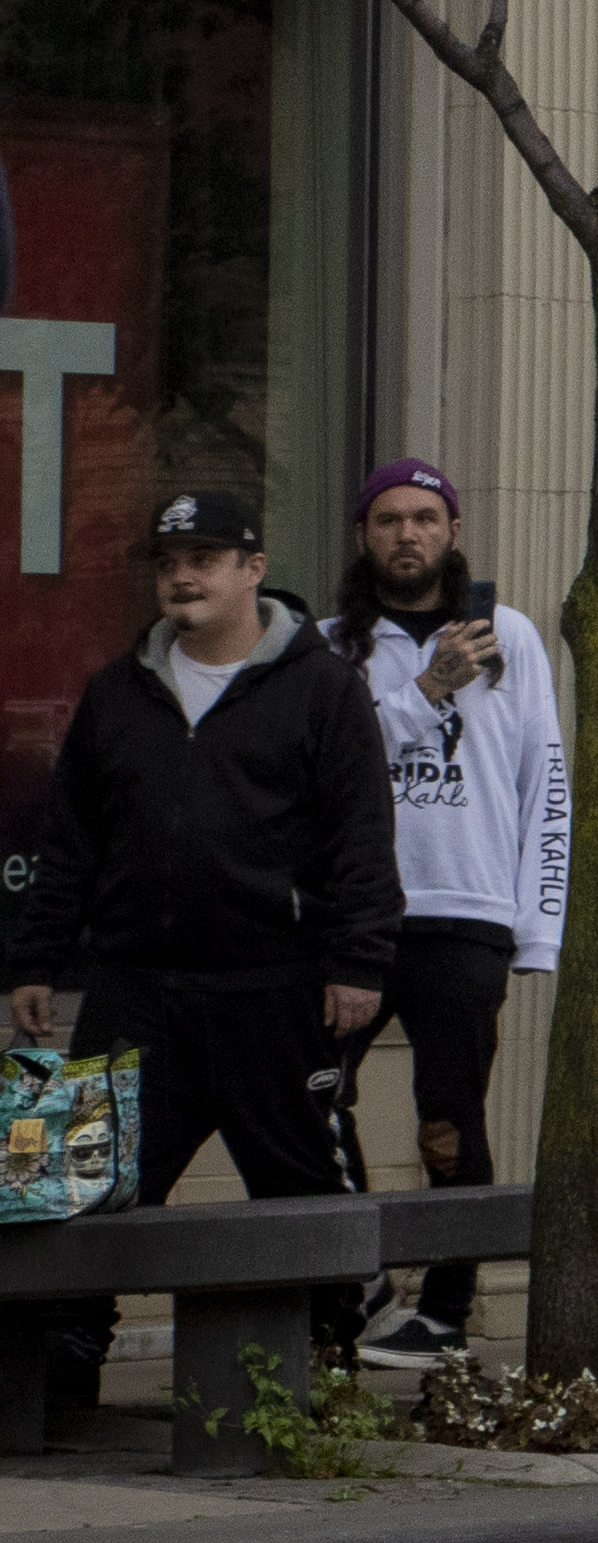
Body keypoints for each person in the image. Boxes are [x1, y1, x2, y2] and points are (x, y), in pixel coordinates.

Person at [3, 487, 396, 1409]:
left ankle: (326, 1363)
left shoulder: (323, 686)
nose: (183, 576)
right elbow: (72, 842)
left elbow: (362, 839)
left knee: (299, 1186)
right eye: (170, 561)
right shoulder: (117, 692)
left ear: (252, 571)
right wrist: (35, 959)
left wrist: (358, 960)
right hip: (134, 987)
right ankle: (58, 1369)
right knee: (76, 1182)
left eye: (206, 559)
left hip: (276, 986)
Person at [333, 458, 568, 1373]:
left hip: (466, 912)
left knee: (450, 1118)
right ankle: (352, 1290)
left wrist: (535, 924)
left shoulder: (507, 636)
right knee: (310, 1096)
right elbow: (335, 768)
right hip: (358, 917)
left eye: (424, 518)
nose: (407, 535)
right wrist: (428, 687)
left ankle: (446, 1311)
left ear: (452, 530)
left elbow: (544, 784)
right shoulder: (329, 645)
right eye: (388, 519)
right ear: (365, 537)